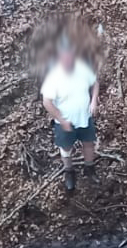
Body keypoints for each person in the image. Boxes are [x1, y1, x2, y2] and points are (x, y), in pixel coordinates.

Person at [37, 16, 100, 193]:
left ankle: (89, 168)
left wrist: (94, 100)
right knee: (66, 148)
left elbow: (95, 83)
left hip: (85, 117)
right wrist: (62, 120)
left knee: (88, 143)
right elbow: (47, 102)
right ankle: (69, 172)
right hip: (65, 121)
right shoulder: (53, 77)